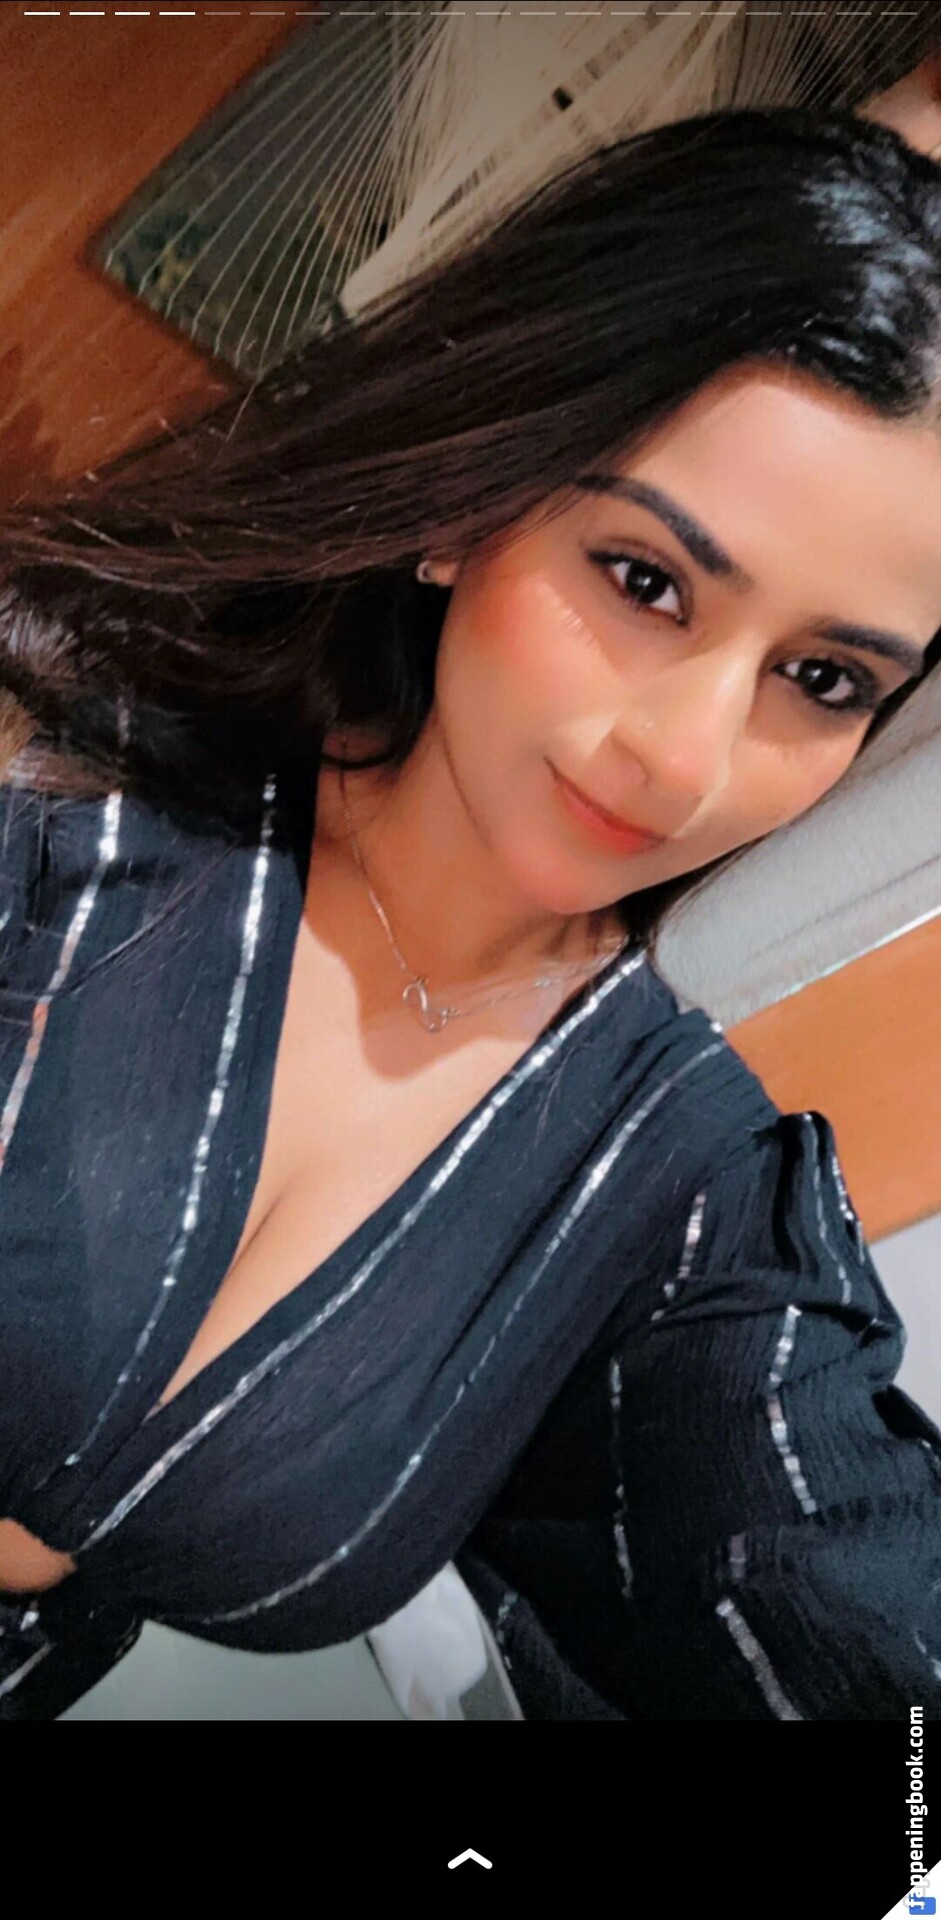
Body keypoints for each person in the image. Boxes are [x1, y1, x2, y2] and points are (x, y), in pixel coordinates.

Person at [2, 102, 941, 1722]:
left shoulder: (671, 1184)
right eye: (643, 581)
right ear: (467, 503)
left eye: (821, 678)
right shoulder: (49, 767)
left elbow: (825, 1582)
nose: (684, 759)